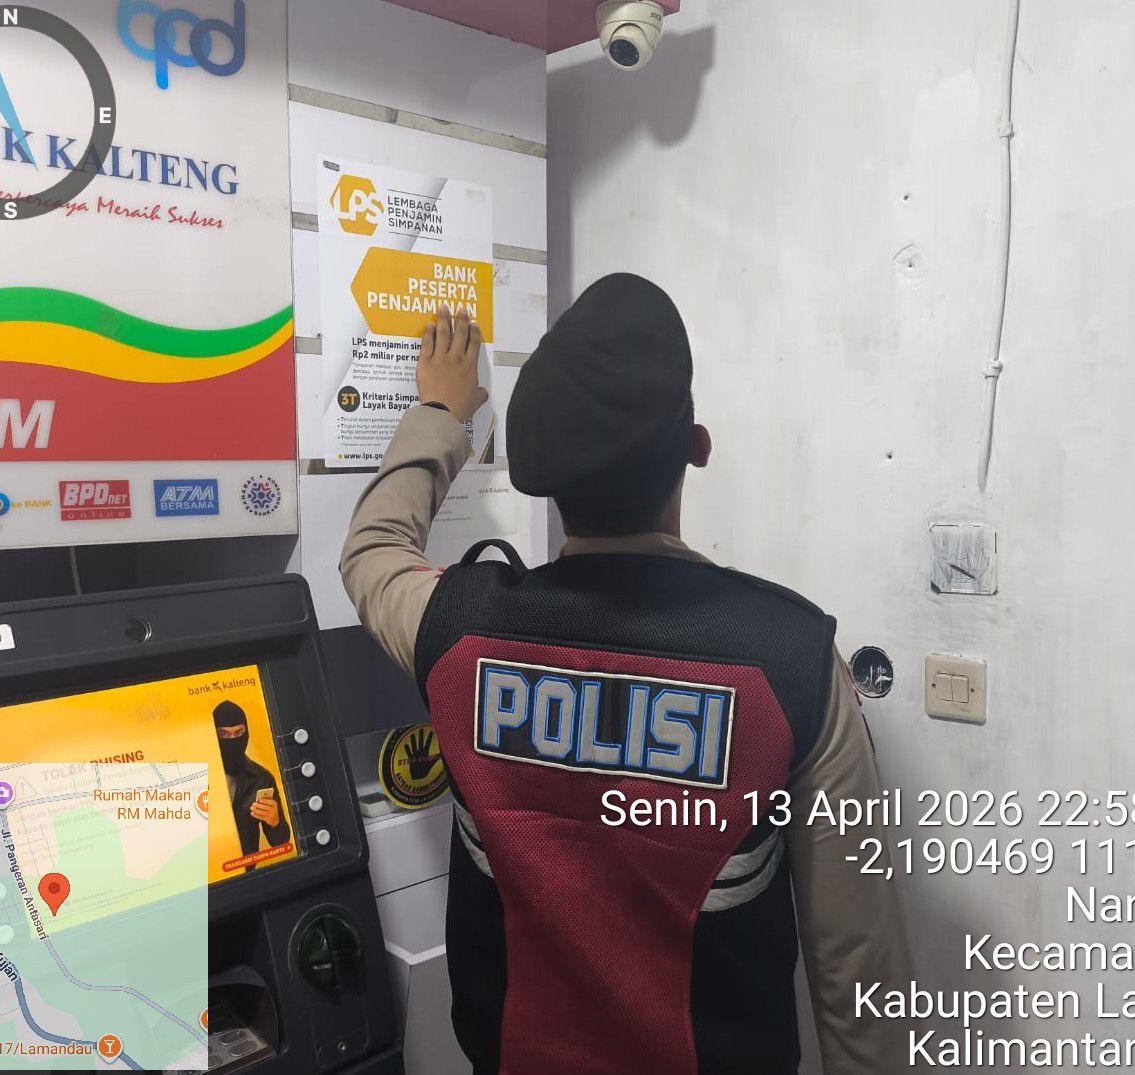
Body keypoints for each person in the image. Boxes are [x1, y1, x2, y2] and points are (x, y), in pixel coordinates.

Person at [341, 275, 912, 1075]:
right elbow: (858, 972)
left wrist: (441, 409)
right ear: (695, 448)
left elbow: (372, 549)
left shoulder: (456, 634)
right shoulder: (792, 662)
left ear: (546, 476)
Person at [212, 700, 290, 863]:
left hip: (246, 869)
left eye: (239, 732)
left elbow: (281, 842)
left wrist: (275, 821)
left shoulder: (262, 778)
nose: (233, 740)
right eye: (224, 734)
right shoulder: (198, 774)